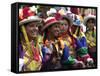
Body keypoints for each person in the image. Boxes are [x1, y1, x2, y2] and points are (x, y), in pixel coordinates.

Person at [19, 6, 43, 71]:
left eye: (36, 26)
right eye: (31, 26)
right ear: (23, 29)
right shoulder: (18, 47)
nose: (35, 28)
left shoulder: (37, 46)